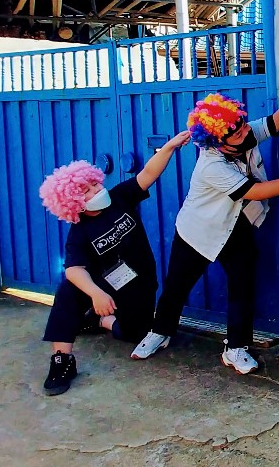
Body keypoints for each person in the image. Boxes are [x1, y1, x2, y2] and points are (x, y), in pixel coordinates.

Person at [130, 91, 279, 374]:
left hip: (235, 227)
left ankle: (236, 347)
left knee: (242, 286)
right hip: (197, 231)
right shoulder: (211, 165)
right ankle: (160, 331)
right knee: (177, 286)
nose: (246, 132)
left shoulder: (243, 133)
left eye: (244, 126)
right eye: (238, 133)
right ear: (218, 142)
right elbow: (256, 191)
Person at [38, 131, 191, 395]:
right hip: (103, 285)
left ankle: (99, 322)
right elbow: (74, 269)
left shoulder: (120, 197)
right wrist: (96, 293)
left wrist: (170, 146)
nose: (97, 190)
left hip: (139, 282)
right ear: (74, 203)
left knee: (138, 333)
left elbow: (148, 174)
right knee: (68, 290)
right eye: (87, 191)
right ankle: (62, 360)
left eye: (94, 184)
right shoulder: (80, 231)